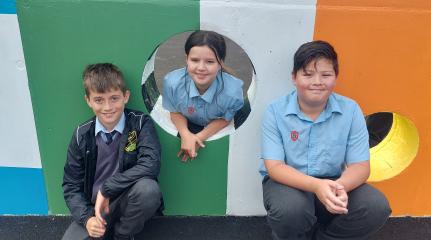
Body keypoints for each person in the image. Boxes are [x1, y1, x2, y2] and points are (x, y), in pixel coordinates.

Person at [260, 40, 391, 240]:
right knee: (290, 210)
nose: (317, 81)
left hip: (334, 180)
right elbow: (275, 166)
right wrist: (316, 186)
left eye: (326, 75)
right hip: (288, 182)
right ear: (294, 77)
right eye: (308, 74)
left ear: (335, 77)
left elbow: (361, 166)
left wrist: (340, 186)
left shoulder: (351, 110)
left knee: (375, 205)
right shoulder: (275, 111)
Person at [62, 63, 162, 240]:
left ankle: (122, 235)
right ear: (88, 101)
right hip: (96, 209)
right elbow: (71, 186)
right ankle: (101, 230)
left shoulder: (140, 123)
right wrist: (87, 219)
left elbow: (150, 164)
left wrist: (107, 188)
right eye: (99, 100)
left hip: (127, 200)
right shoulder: (81, 134)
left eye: (114, 98)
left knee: (148, 190)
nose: (107, 107)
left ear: (126, 96)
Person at [162, 30, 244, 161]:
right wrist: (185, 134)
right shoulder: (172, 83)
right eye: (194, 60)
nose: (201, 67)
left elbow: (225, 118)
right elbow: (175, 112)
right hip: (186, 120)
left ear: (220, 63)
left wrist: (198, 138)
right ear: (186, 59)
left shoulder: (232, 93)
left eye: (210, 61)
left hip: (213, 123)